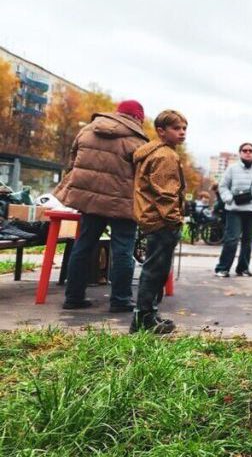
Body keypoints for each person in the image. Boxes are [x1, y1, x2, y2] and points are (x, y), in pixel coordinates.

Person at [54, 100, 149, 312]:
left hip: (89, 201)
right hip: (122, 203)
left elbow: (72, 163)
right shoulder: (137, 141)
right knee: (123, 250)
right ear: (136, 117)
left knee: (83, 246)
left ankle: (73, 297)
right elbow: (142, 176)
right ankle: (120, 300)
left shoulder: (87, 131)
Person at [131, 110, 188, 334]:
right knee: (155, 270)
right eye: (177, 128)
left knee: (155, 269)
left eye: (184, 128)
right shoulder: (166, 156)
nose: (182, 132)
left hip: (152, 218)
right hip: (161, 220)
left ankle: (148, 314)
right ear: (161, 131)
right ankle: (143, 319)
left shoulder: (154, 152)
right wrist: (175, 220)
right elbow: (166, 194)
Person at [215, 142, 252, 278]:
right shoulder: (232, 169)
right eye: (244, 150)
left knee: (248, 241)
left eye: (251, 150)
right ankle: (222, 268)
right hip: (235, 209)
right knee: (231, 239)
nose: (248, 152)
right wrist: (228, 199)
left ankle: (243, 268)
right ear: (240, 153)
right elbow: (223, 186)